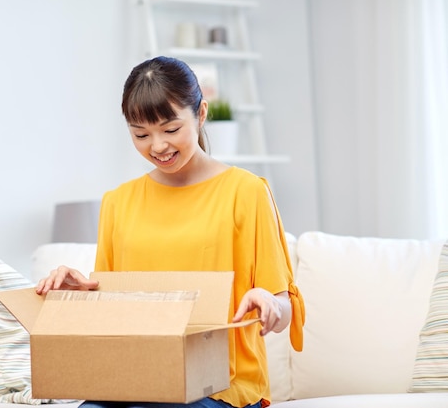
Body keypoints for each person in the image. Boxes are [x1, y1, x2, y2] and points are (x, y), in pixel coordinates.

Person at [36, 56, 305, 408]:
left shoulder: (247, 192)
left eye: (171, 129)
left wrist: (271, 303)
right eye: (141, 134)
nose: (158, 146)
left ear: (201, 115)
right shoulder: (118, 202)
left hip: (220, 384)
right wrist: (77, 295)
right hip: (134, 377)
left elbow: (283, 309)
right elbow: (112, 315)